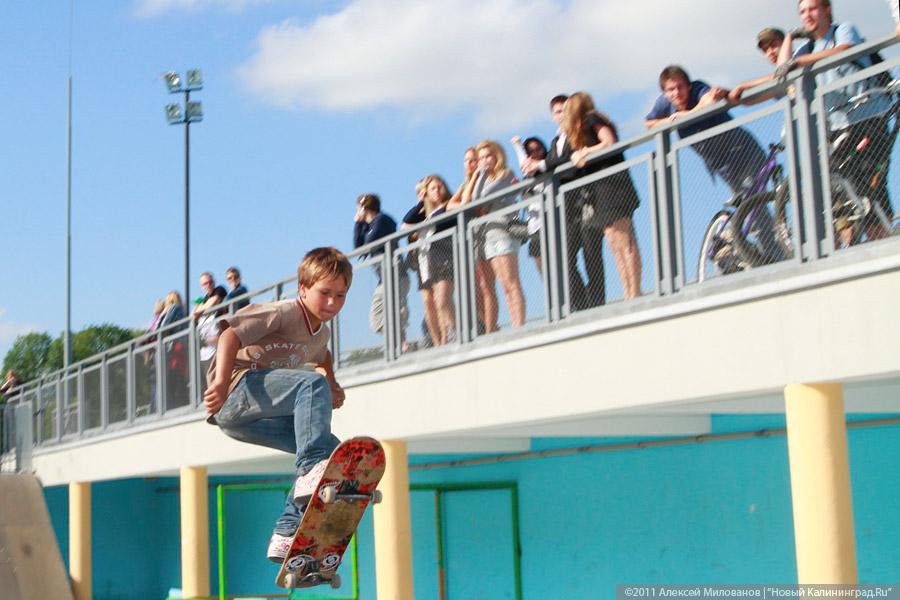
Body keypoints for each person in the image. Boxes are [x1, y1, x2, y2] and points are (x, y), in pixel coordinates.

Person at [203, 247, 351, 563]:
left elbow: (322, 355)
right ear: (302, 289)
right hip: (236, 393)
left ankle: (286, 534)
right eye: (324, 293)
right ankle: (310, 467)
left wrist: (333, 381)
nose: (331, 303)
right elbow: (229, 336)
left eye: (340, 296)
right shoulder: (283, 312)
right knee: (310, 387)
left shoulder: (319, 334)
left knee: (335, 453)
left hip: (251, 423)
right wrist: (219, 382)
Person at [776, 0, 893, 243]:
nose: (807, 15)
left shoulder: (843, 30)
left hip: (868, 117)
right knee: (838, 186)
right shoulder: (807, 47)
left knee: (868, 187)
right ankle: (849, 245)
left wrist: (799, 62)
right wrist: (789, 38)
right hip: (838, 125)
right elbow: (782, 70)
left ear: (827, 10)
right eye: (802, 11)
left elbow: (843, 51)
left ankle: (882, 242)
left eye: (812, 9)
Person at [522, 94, 606, 310]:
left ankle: (597, 302)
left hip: (585, 200)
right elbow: (552, 163)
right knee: (565, 258)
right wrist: (536, 167)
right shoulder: (555, 141)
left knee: (591, 254)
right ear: (552, 116)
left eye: (565, 110)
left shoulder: (577, 133)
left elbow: (563, 161)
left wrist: (540, 165)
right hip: (566, 208)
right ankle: (580, 305)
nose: (562, 115)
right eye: (558, 111)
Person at [563, 92, 642, 300]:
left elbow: (609, 141)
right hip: (600, 190)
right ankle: (628, 291)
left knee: (625, 241)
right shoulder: (580, 131)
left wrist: (585, 153)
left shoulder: (592, 118)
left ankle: (635, 290)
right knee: (614, 243)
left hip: (614, 187)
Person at [645, 65, 768, 195]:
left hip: (742, 151)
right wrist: (671, 120)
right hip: (722, 165)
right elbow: (648, 124)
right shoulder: (664, 104)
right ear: (665, 93)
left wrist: (688, 114)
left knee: (751, 198)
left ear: (689, 86)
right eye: (671, 89)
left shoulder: (697, 87)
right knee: (746, 206)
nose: (676, 93)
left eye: (680, 87)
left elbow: (709, 99)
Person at [464, 140, 526, 331]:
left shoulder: (506, 174)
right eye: (480, 157)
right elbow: (474, 200)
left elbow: (482, 197)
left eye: (487, 156)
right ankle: (515, 323)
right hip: (489, 236)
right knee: (504, 285)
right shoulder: (486, 178)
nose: (483, 161)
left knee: (511, 281)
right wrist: (480, 175)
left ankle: (519, 325)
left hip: (504, 232)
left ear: (497, 156)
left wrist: (480, 173)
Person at [402, 176, 457, 345]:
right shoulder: (424, 212)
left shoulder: (447, 206)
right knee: (428, 303)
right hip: (424, 261)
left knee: (441, 301)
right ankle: (438, 341)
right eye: (432, 188)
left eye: (439, 187)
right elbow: (406, 224)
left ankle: (453, 334)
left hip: (444, 257)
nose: (437, 191)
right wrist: (421, 202)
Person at [353, 193, 409, 338]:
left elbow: (371, 241)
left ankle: (401, 344)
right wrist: (358, 224)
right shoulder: (367, 226)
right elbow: (359, 249)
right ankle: (398, 341)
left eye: (358, 208)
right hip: (383, 278)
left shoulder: (382, 220)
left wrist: (362, 224)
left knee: (397, 312)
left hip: (396, 273)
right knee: (376, 320)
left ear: (363, 207)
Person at [512, 135, 549, 274]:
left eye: (538, 149)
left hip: (550, 225)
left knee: (561, 267)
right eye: (530, 152)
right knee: (543, 271)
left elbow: (525, 164)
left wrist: (517, 145)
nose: (534, 154)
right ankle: (552, 295)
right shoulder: (527, 178)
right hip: (535, 227)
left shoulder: (547, 169)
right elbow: (525, 165)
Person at [728, 27, 787, 104]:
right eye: (765, 50)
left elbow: (783, 73)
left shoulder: (800, 55)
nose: (770, 53)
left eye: (773, 46)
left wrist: (742, 86)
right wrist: (728, 95)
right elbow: (749, 102)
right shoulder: (781, 81)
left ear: (785, 43)